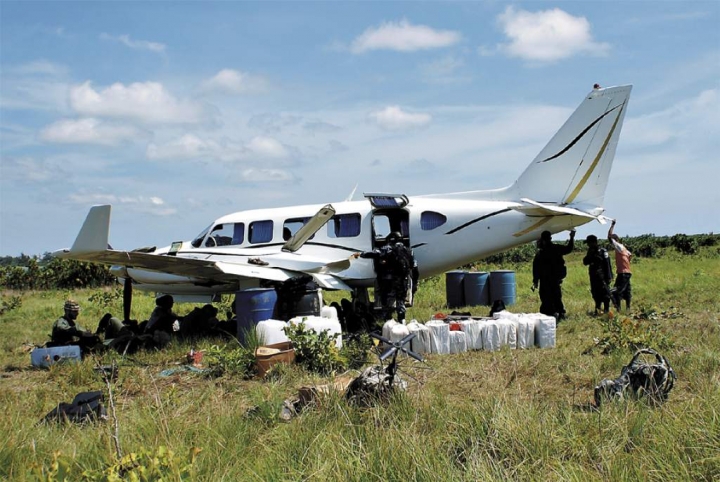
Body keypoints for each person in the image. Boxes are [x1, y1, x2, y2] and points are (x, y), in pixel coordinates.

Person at [350, 232, 415, 322]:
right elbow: (413, 266)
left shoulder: (388, 249)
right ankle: (402, 320)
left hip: (390, 281)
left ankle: (387, 321)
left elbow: (374, 253)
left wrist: (360, 254)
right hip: (403, 281)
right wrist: (414, 284)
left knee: (387, 303)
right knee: (401, 302)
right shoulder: (408, 250)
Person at [532, 229, 575, 320]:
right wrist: (571, 237)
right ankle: (559, 313)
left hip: (546, 280)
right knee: (556, 296)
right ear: (550, 238)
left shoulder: (540, 253)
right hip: (555, 279)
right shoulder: (556, 248)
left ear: (542, 240)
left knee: (546, 297)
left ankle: (549, 313)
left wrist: (535, 281)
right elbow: (569, 249)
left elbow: (536, 269)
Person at [583, 235, 613, 314]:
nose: (588, 245)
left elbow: (607, 264)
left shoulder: (603, 251)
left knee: (605, 294)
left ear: (593, 242)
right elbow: (585, 262)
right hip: (593, 277)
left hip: (602, 277)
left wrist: (609, 276)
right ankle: (597, 309)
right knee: (595, 293)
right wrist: (591, 255)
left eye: (589, 243)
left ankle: (606, 310)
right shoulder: (590, 251)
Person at [608, 220, 633, 311]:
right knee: (627, 291)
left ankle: (618, 309)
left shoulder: (618, 246)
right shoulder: (624, 248)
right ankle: (628, 309)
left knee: (616, 291)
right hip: (627, 272)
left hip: (622, 273)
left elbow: (609, 237)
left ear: (615, 240)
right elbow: (630, 256)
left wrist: (612, 225)